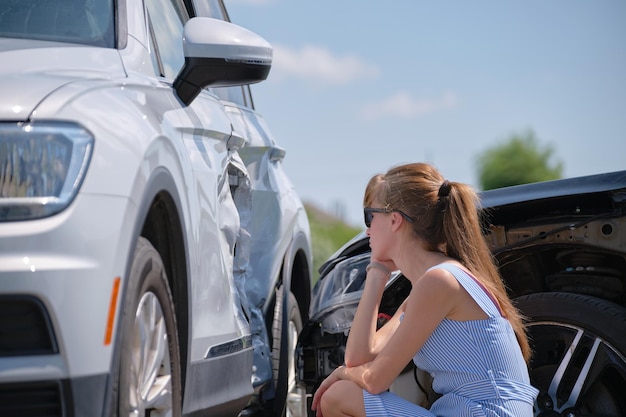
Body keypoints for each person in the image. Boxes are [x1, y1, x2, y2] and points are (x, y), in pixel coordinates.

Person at [311, 162, 538, 417]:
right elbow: (359, 357)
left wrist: (341, 373)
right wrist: (377, 273)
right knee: (341, 393)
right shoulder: (431, 285)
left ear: (394, 220)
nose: (367, 230)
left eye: (370, 216)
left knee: (339, 395)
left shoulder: (440, 281)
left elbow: (375, 380)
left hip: (486, 413)